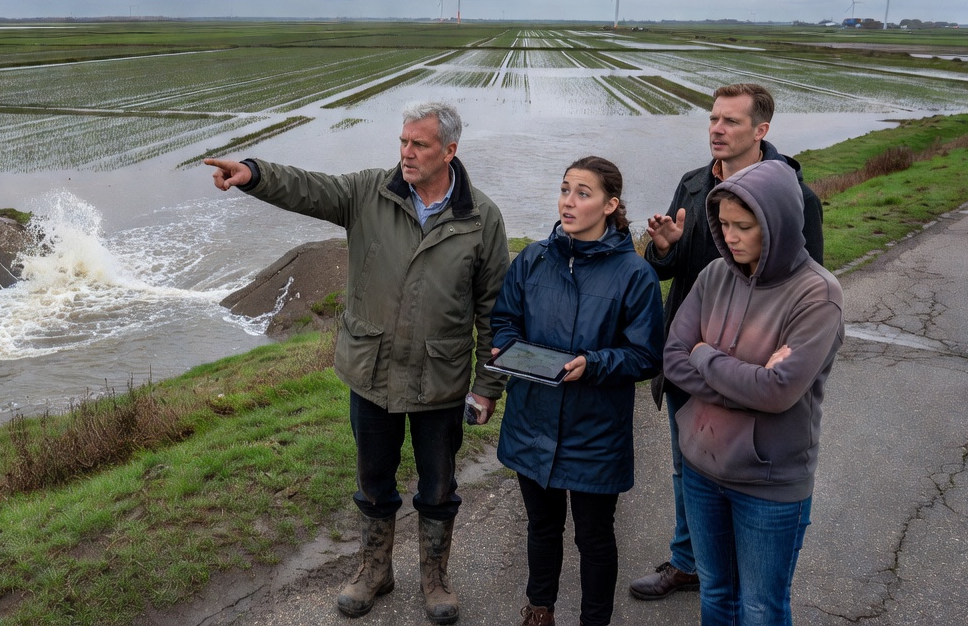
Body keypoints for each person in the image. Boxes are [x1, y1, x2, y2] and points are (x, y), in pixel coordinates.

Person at [205, 102, 508, 625]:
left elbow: (494, 311)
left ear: (450, 151)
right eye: (403, 141)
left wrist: (486, 387)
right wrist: (254, 174)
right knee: (373, 480)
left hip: (441, 381)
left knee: (438, 488)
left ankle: (435, 577)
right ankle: (375, 570)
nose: (406, 153)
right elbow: (309, 189)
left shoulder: (481, 218)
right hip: (373, 375)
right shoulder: (370, 192)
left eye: (420, 145)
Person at [630, 82, 824, 602]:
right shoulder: (694, 185)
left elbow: (806, 283)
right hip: (692, 359)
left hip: (746, 367)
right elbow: (668, 270)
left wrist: (762, 367)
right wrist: (665, 248)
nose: (716, 129)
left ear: (761, 131)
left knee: (744, 470)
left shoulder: (795, 196)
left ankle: (744, 564)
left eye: (731, 122)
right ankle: (689, 561)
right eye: (713, 119)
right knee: (687, 464)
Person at [662, 159, 844, 625]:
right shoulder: (713, 277)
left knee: (762, 608)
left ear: (778, 222)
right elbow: (673, 359)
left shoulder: (816, 295)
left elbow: (778, 392)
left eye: (744, 226)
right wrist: (746, 377)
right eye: (724, 225)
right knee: (716, 595)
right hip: (702, 469)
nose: (732, 236)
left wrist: (705, 356)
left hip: (769, 484)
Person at [490, 156, 664, 626]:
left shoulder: (634, 274)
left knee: (594, 536)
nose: (569, 200)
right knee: (542, 526)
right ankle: (539, 609)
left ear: (610, 205)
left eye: (583, 193)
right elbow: (505, 319)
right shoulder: (532, 259)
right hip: (533, 419)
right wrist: (507, 349)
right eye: (565, 189)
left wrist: (595, 364)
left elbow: (647, 355)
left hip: (595, 428)